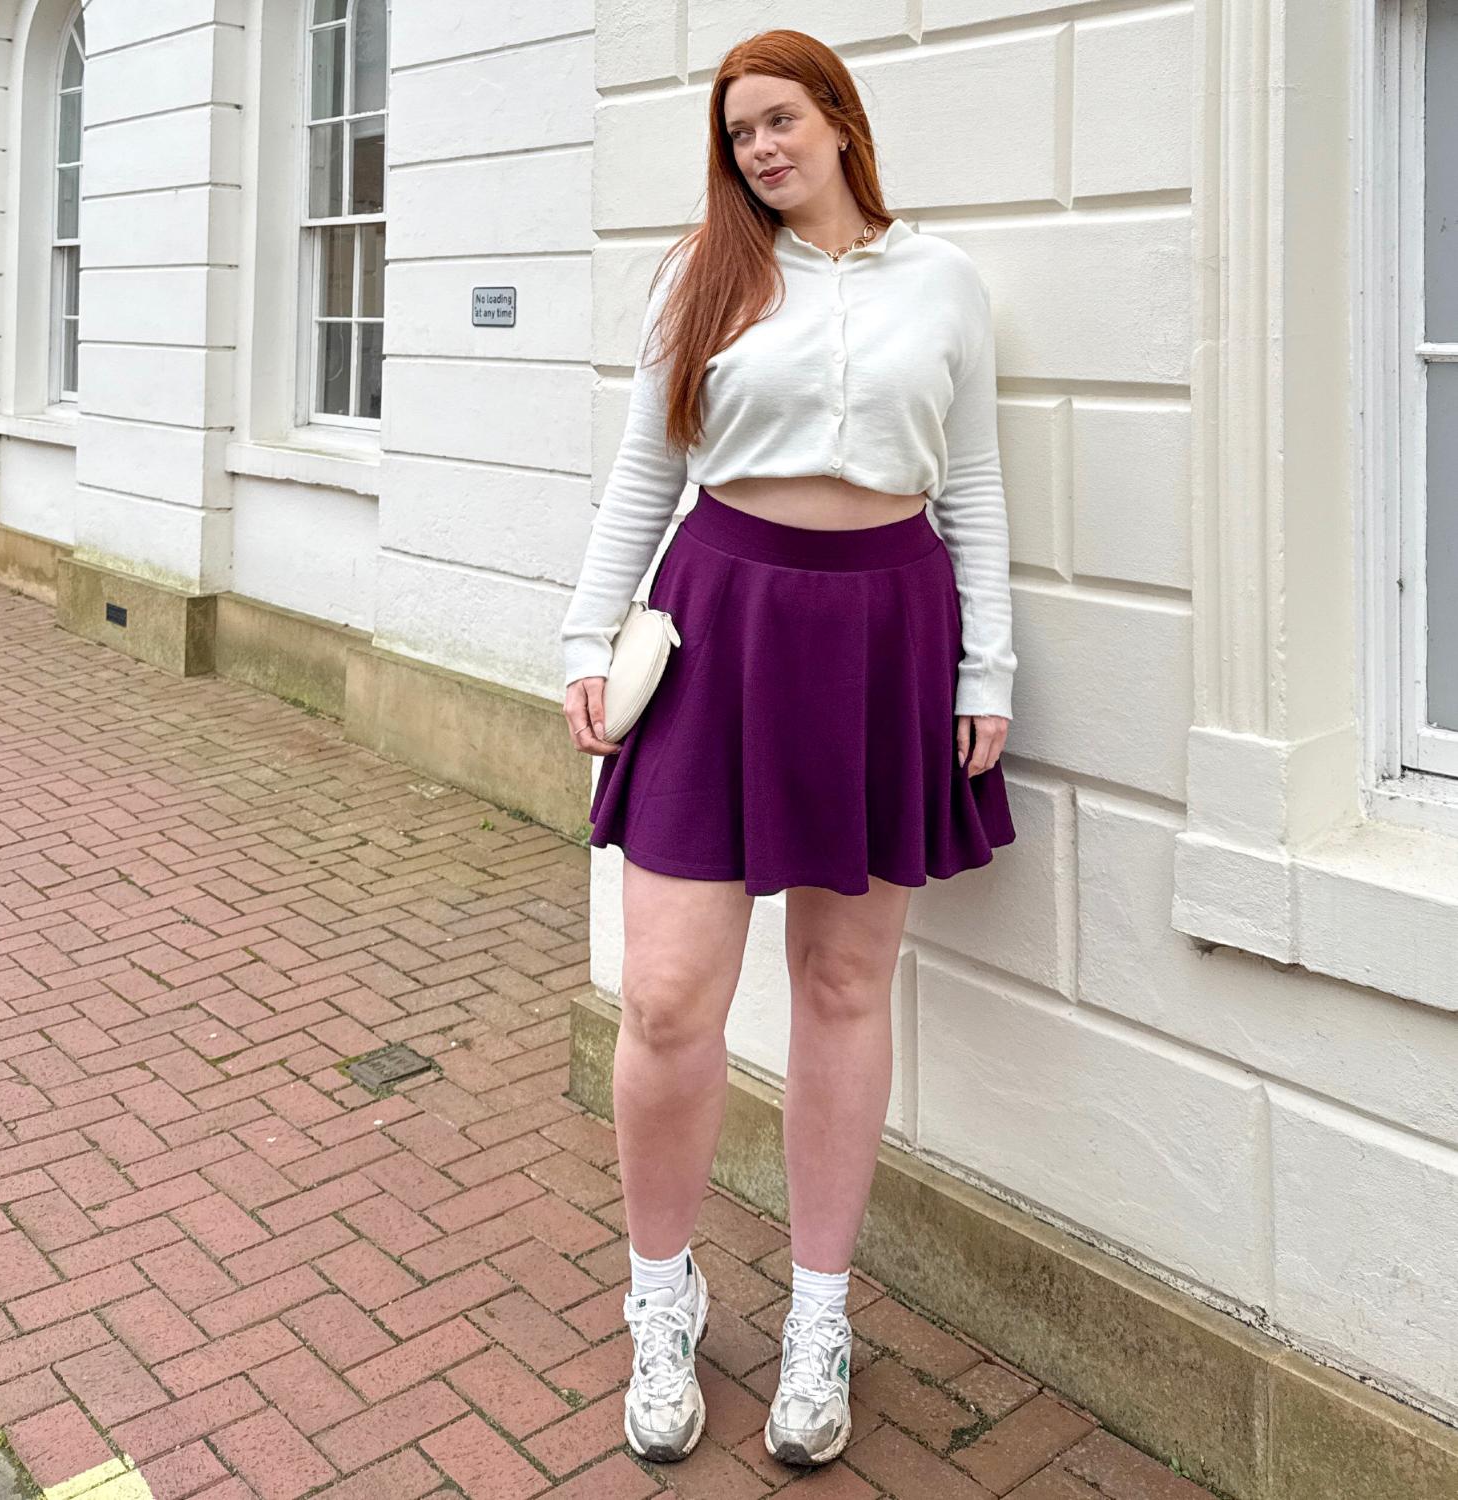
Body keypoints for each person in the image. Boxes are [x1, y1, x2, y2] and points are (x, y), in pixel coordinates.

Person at [558, 27, 1017, 1471]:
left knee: (842, 980)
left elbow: (978, 480)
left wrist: (986, 661)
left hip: (888, 630)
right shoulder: (704, 281)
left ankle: (822, 1315)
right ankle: (662, 1292)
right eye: (738, 131)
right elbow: (647, 465)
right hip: (722, 623)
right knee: (672, 1000)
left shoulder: (942, 281)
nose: (760, 148)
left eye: (780, 120)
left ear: (839, 119)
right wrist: (587, 638)